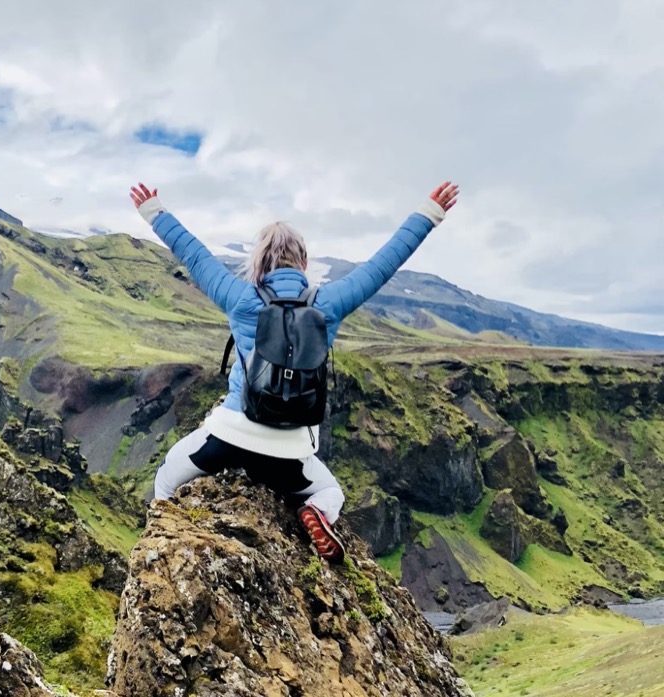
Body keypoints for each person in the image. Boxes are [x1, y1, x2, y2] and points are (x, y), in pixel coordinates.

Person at [130, 180, 460, 562]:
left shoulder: (239, 297)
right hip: (289, 454)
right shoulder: (328, 303)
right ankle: (316, 513)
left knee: (166, 479)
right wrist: (429, 213)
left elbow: (194, 254)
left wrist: (153, 211)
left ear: (259, 263)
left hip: (229, 438)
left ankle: (163, 553)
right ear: (303, 264)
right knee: (329, 492)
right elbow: (382, 265)